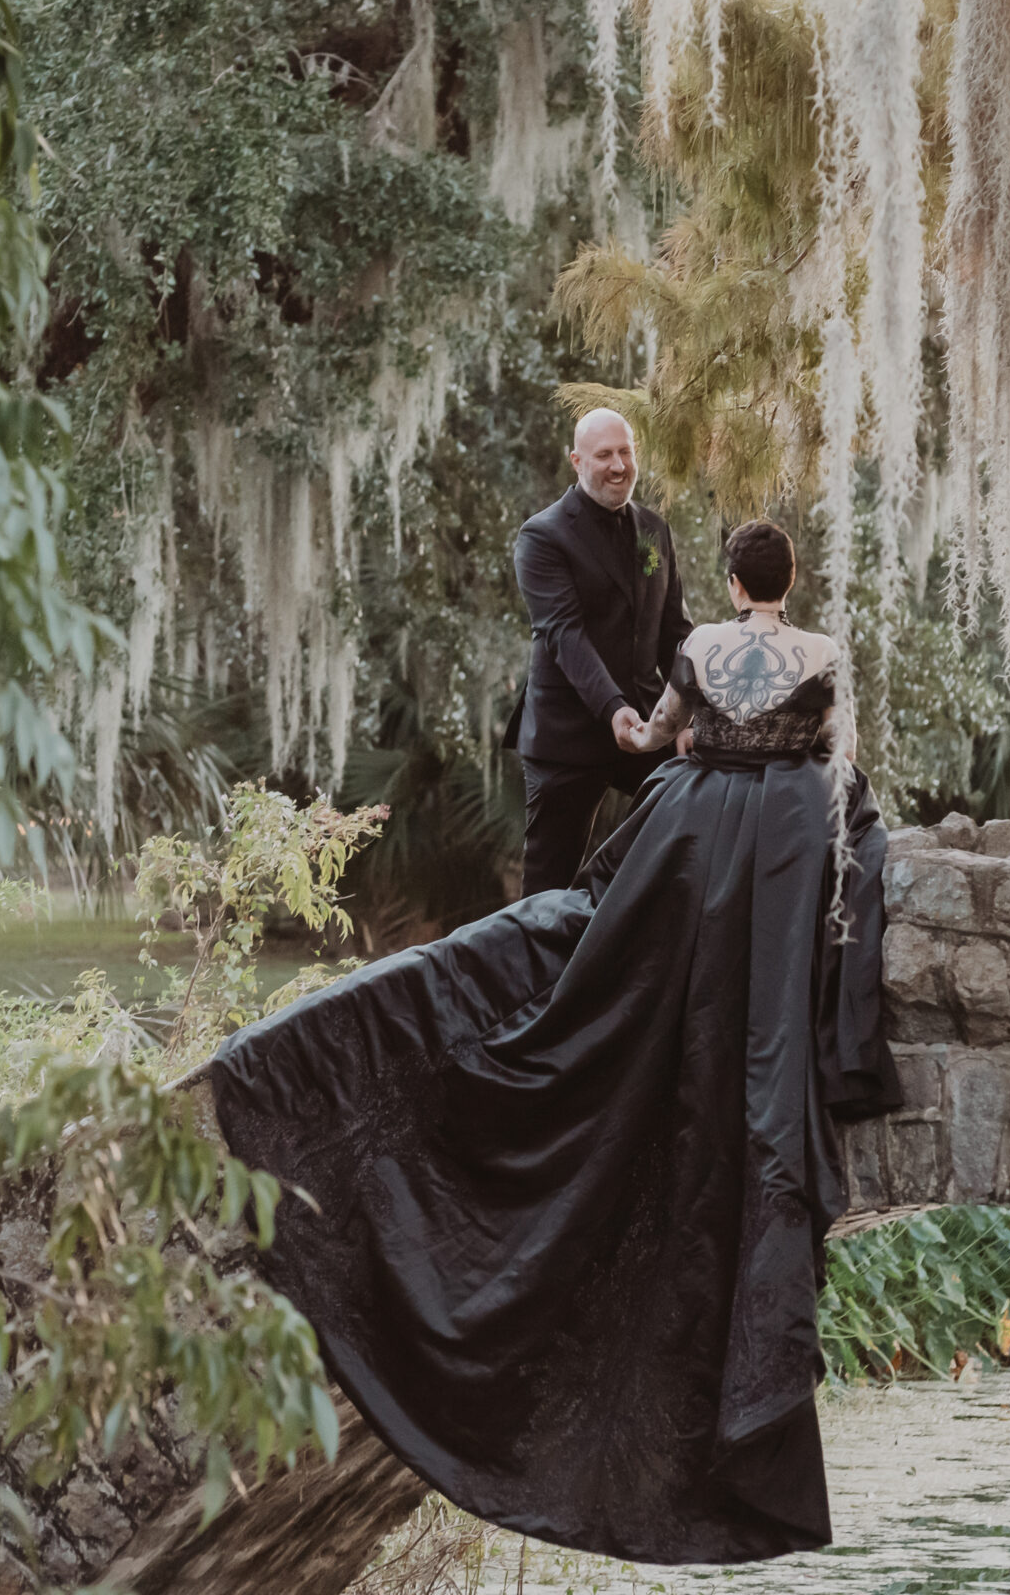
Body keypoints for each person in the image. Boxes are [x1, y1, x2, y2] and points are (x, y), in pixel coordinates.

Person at [205, 518, 905, 1567]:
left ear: (726, 581)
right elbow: (837, 756)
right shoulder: (822, 655)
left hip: (691, 831)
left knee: (593, 926)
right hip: (788, 843)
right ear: (789, 581)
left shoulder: (700, 646)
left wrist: (660, 737)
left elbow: (668, 731)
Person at [511, 408, 691, 895]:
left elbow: (676, 631)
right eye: (604, 454)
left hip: (649, 727)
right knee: (546, 888)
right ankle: (534, 971)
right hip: (568, 734)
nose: (618, 465)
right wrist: (613, 707)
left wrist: (688, 714)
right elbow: (565, 635)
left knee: (696, 824)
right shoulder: (542, 536)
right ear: (577, 461)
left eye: (626, 452)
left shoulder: (654, 530)